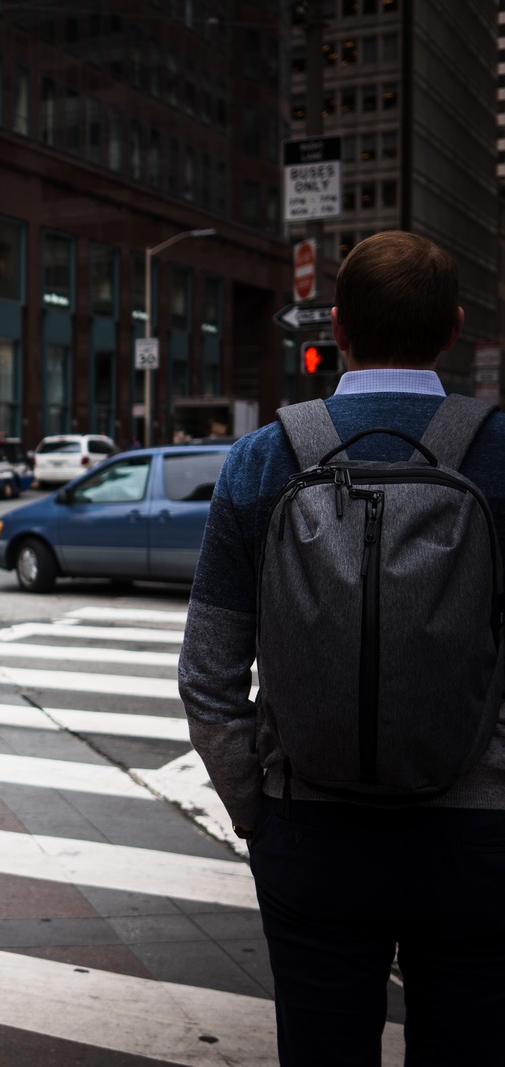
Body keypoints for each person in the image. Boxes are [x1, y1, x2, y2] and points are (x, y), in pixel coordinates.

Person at [179, 231, 505, 1065]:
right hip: (478, 834)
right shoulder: (501, 453)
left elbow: (210, 674)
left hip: (311, 827)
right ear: (454, 327)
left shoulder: (261, 461)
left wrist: (259, 810)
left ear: (337, 324)